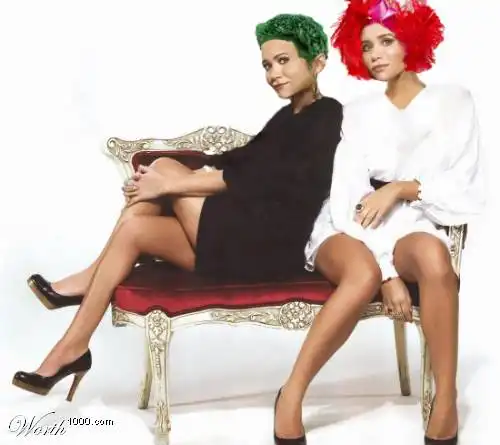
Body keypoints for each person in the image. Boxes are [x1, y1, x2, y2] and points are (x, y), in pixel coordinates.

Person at [13, 13, 384, 422]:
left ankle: (88, 278)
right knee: (136, 227)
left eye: (283, 61)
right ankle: (72, 348)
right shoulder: (287, 117)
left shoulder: (327, 114)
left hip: (269, 248)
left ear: (317, 62)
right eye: (266, 64)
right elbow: (242, 159)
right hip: (239, 241)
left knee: (165, 173)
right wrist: (168, 179)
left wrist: (169, 182)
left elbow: (261, 177)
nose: (273, 73)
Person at [274, 1, 485, 445]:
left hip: (414, 217)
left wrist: (401, 189)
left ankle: (445, 401)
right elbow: (348, 197)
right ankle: (291, 393)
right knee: (366, 271)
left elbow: (463, 184)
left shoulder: (454, 101)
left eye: (386, 41)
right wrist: (388, 273)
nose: (375, 54)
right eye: (367, 46)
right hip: (349, 224)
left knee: (435, 258)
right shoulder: (357, 111)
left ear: (413, 42)